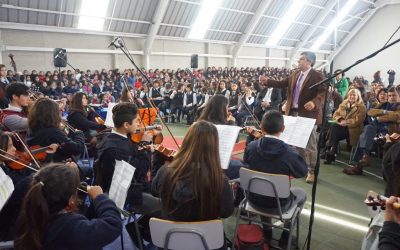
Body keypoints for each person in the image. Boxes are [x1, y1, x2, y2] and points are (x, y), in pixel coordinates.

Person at [14, 163, 122, 250]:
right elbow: (113, 224)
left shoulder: (31, 209)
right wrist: (100, 197)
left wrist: (62, 175)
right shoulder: (70, 227)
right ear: (70, 200)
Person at [243, 110, 307, 247]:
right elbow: (302, 172)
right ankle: (286, 234)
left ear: (261, 127)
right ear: (283, 129)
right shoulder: (289, 152)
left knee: (263, 189)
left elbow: (246, 160)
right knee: (301, 193)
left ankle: (267, 231)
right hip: (279, 205)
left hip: (252, 200)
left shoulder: (252, 146)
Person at [260, 51, 325, 183]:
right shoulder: (295, 73)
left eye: (301, 59)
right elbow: (282, 83)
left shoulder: (318, 76)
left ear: (309, 62)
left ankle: (312, 171)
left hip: (308, 114)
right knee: (297, 143)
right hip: (293, 112)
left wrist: (314, 102)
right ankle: (300, 168)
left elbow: (322, 93)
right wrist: (268, 81)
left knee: (310, 144)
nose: (298, 61)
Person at [151, 121, 234, 221]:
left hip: (170, 234)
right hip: (203, 235)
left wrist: (157, 160)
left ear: (187, 141)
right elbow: (227, 212)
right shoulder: (220, 181)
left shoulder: (165, 171)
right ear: (213, 146)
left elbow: (154, 191)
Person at [95, 102, 153, 208]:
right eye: (137, 121)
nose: (139, 124)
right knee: (165, 200)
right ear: (126, 125)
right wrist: (144, 145)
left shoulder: (112, 137)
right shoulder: (115, 149)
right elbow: (139, 172)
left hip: (126, 184)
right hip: (126, 192)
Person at [344, 86, 400, 175]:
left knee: (364, 135)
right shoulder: (384, 104)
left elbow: (397, 116)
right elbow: (370, 112)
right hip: (376, 131)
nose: (391, 97)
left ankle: (358, 166)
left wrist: (380, 117)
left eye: (394, 95)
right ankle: (365, 157)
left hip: (390, 134)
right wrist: (385, 112)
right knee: (367, 129)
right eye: (389, 95)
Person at [27, 98, 85, 162]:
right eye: (58, 111)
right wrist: (79, 134)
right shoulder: (52, 132)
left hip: (45, 164)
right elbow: (78, 149)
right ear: (52, 114)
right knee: (88, 170)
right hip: (57, 166)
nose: (61, 112)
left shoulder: (32, 128)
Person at [324, 88, 366, 164]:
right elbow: (335, 115)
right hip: (340, 127)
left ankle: (331, 151)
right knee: (334, 127)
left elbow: (358, 121)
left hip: (352, 129)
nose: (352, 96)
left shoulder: (362, 107)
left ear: (358, 97)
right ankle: (332, 151)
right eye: (350, 95)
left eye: (354, 95)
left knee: (333, 130)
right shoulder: (344, 104)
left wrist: (346, 122)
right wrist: (340, 120)